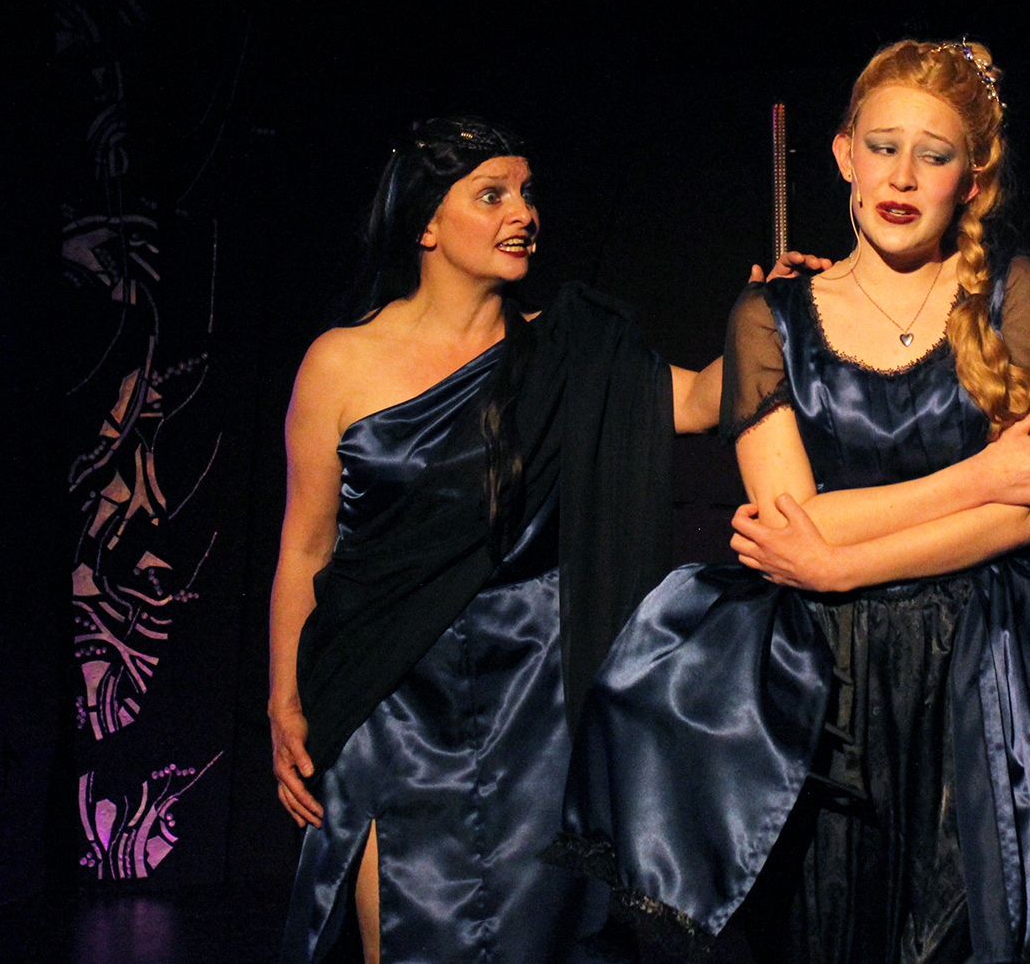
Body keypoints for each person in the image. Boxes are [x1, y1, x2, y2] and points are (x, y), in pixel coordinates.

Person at [547, 41, 1030, 964]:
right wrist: (972, 479)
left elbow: (1019, 514)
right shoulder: (768, 317)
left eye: (933, 156)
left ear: (970, 180)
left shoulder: (1013, 293)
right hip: (827, 680)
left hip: (990, 666)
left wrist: (844, 554)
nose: (902, 176)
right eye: (882, 147)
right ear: (844, 154)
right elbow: (795, 519)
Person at [268, 117, 731, 963]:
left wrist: (777, 318)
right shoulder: (339, 362)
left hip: (533, 706)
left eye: (526, 192)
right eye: (492, 195)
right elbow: (305, 546)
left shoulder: (568, 352)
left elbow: (701, 402)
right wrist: (284, 699)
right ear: (426, 224)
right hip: (382, 694)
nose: (523, 213)